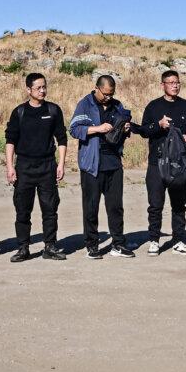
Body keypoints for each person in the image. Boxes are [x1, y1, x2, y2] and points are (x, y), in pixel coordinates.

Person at [4, 72, 68, 262]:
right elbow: (10, 141)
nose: (42, 90)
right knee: (23, 210)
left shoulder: (53, 110)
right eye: (38, 87)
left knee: (50, 209)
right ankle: (23, 248)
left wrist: (61, 164)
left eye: (44, 87)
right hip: (24, 166)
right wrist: (10, 167)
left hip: (47, 166)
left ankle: (50, 246)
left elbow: (62, 139)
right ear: (28, 90)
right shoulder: (19, 112)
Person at [137, 70, 186, 256]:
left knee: (179, 205)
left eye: (177, 82)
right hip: (156, 164)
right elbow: (143, 131)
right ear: (162, 85)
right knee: (155, 205)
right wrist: (158, 125)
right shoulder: (154, 106)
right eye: (171, 82)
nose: (175, 85)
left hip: (179, 164)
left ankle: (179, 240)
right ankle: (154, 240)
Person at [70, 74, 134, 259]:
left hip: (113, 163)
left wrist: (125, 129)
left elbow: (122, 128)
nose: (108, 97)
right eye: (105, 94)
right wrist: (97, 129)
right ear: (96, 88)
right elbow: (74, 129)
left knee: (116, 207)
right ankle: (92, 245)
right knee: (91, 207)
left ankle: (118, 244)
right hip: (91, 164)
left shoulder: (117, 105)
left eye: (111, 94)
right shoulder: (85, 104)